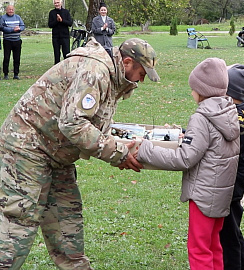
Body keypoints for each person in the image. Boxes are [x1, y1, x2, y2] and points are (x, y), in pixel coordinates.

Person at [0, 37, 160, 269]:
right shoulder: (94, 71)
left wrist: (122, 145)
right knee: (19, 225)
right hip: (27, 149)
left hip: (56, 153)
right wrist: (119, 154)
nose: (141, 80)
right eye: (141, 73)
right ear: (126, 62)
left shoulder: (111, 76)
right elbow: (73, 124)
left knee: (67, 221)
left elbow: (94, 123)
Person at [136, 57, 240, 270]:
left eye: (194, 87)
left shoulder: (202, 118)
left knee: (199, 249)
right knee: (213, 246)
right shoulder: (228, 112)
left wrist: (145, 148)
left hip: (203, 195)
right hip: (220, 194)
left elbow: (184, 158)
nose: (191, 92)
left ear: (202, 90)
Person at [219, 64, 244, 270]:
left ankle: (236, 264)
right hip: (235, 173)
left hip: (232, 177)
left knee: (229, 230)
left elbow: (226, 146)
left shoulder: (237, 119)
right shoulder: (242, 111)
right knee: (230, 225)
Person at [0, 5, 25, 80]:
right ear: (6, 10)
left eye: (12, 9)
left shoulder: (18, 17)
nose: (11, 11)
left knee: (17, 58)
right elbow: (2, 27)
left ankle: (16, 74)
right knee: (6, 58)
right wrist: (12, 30)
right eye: (9, 9)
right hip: (7, 41)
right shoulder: (3, 18)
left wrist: (19, 28)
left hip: (17, 40)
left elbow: (23, 25)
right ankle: (6, 74)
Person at [48, 0, 73, 65]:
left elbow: (70, 23)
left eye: (58, 2)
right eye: (55, 3)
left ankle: (67, 68)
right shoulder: (52, 12)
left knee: (66, 53)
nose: (56, 4)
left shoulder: (66, 12)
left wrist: (62, 20)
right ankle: (57, 70)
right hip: (56, 36)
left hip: (65, 36)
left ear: (61, 3)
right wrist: (57, 21)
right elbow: (50, 25)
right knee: (56, 54)